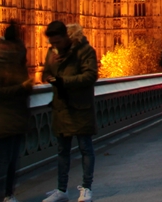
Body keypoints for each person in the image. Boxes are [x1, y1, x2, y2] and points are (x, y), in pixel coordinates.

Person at [42, 22, 98, 202]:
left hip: (80, 106)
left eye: (57, 42)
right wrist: (50, 71)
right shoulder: (53, 52)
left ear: (66, 37)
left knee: (85, 148)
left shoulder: (85, 50)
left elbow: (91, 76)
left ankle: (87, 188)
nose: (54, 46)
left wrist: (64, 81)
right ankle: (61, 189)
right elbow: (45, 74)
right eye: (52, 43)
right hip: (62, 107)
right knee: (62, 151)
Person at [0, 21, 32, 202]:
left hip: (17, 117)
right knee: (4, 159)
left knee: (12, 159)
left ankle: (8, 195)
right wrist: (21, 88)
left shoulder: (16, 62)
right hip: (2, 118)